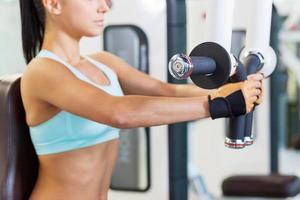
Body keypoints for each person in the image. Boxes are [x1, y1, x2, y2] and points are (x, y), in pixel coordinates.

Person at [19, 0, 263, 200]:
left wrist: (234, 89)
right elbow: (118, 112)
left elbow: (167, 91)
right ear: (53, 4)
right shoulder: (42, 72)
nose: (105, 5)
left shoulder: (103, 62)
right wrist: (218, 103)